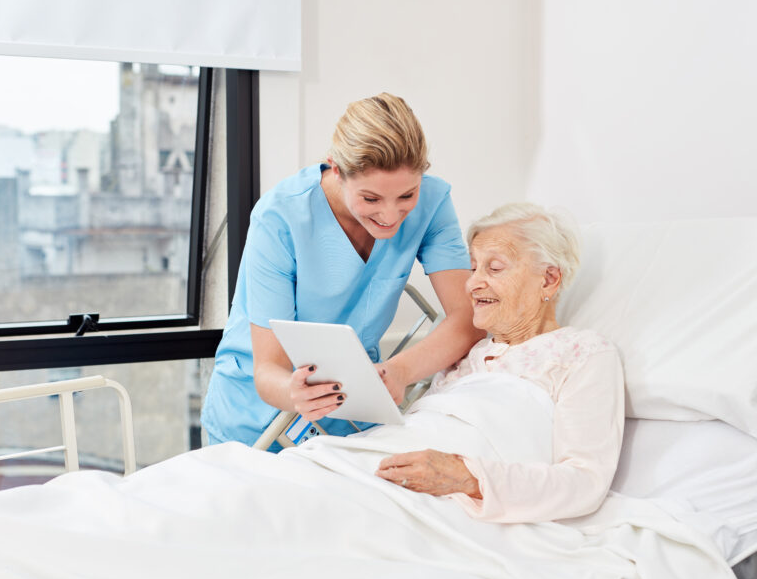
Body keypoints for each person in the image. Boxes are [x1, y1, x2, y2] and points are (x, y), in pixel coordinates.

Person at [202, 93, 483, 447]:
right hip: (254, 418)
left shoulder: (433, 203)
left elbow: (467, 318)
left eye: (407, 196)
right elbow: (266, 370)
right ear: (336, 169)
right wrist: (295, 394)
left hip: (353, 415)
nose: (391, 216)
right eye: (371, 199)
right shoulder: (280, 218)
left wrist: (401, 370)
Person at [375, 202, 626, 523]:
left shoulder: (583, 354)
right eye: (474, 267)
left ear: (548, 279)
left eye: (494, 269)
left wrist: (469, 477)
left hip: (451, 505)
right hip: (384, 467)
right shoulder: (465, 356)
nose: (472, 283)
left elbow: (584, 482)